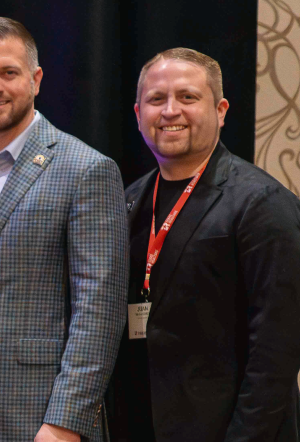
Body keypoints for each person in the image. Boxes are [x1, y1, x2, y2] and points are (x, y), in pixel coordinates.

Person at [0, 17, 127, 442]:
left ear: (35, 80)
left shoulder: (86, 170)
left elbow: (99, 310)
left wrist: (66, 420)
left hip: (42, 419)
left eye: (8, 73)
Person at [106, 48, 300, 441]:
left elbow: (277, 349)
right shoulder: (127, 201)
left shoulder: (262, 203)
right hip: (141, 424)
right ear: (138, 114)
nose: (170, 111)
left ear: (220, 110)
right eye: (156, 99)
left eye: (188, 97)